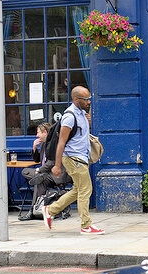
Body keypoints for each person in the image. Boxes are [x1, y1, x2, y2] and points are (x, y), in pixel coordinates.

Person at [43, 86, 102, 234]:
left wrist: (88, 122)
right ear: (76, 100)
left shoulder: (82, 113)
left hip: (81, 157)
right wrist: (57, 165)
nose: (89, 102)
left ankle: (50, 210)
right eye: (86, 99)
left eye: (89, 99)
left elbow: (80, 136)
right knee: (85, 189)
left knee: (78, 190)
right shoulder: (69, 117)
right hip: (73, 158)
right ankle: (86, 225)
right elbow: (61, 142)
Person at [23, 122, 69, 202]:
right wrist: (34, 148)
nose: (37, 136)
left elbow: (52, 162)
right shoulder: (44, 144)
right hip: (46, 173)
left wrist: (39, 170)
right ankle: (38, 207)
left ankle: (34, 209)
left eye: (38, 133)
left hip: (55, 175)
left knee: (39, 180)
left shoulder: (54, 144)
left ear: (45, 133)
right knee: (25, 171)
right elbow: (37, 160)